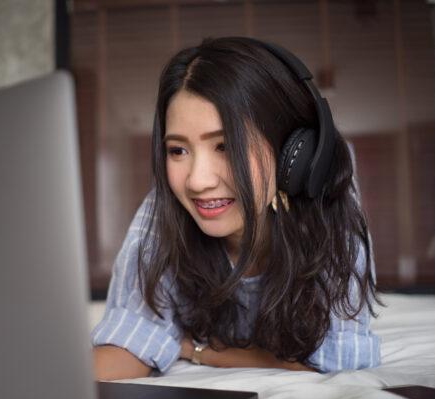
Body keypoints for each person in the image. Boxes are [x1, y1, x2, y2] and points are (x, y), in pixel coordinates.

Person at [91, 37, 381, 381]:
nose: (197, 181)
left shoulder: (329, 211)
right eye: (178, 151)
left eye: (226, 146)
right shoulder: (163, 210)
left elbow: (338, 357)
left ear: (293, 155)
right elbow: (131, 340)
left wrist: (196, 349)